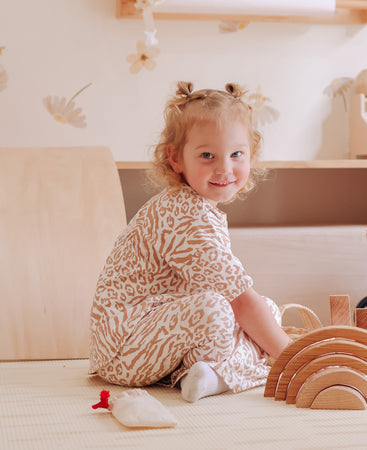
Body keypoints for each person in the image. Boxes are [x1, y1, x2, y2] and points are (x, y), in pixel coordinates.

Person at [88, 81, 290, 403]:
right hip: (124, 346)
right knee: (223, 312)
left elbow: (243, 301)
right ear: (176, 159)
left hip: (156, 330)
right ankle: (227, 372)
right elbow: (238, 300)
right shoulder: (183, 213)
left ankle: (209, 377)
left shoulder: (198, 208)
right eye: (207, 155)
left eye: (237, 154)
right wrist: (294, 358)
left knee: (267, 310)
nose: (225, 168)